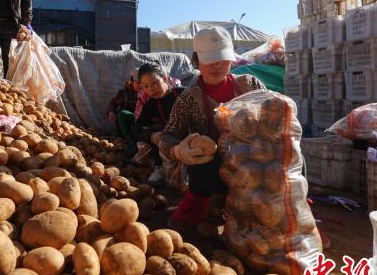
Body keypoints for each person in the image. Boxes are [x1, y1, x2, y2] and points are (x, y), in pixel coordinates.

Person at [152, 26, 265, 230]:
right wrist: (178, 150)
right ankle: (197, 201)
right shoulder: (188, 98)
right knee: (201, 157)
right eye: (209, 59)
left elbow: (274, 113)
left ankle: (288, 202)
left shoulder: (250, 86)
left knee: (290, 152)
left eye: (222, 58)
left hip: (254, 165)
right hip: (214, 170)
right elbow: (168, 135)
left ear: (232, 58)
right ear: (196, 61)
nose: (217, 65)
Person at [132, 63, 185, 185]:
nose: (151, 89)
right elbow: (136, 128)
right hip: (165, 144)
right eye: (145, 86)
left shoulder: (183, 94)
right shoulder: (150, 105)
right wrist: (151, 135)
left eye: (154, 83)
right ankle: (159, 167)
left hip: (187, 140)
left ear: (165, 78)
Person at [106, 68, 140, 138]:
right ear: (132, 82)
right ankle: (127, 138)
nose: (139, 85)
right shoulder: (124, 91)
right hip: (127, 119)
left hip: (141, 120)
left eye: (141, 82)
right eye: (137, 82)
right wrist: (111, 112)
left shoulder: (147, 91)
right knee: (122, 113)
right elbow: (113, 102)